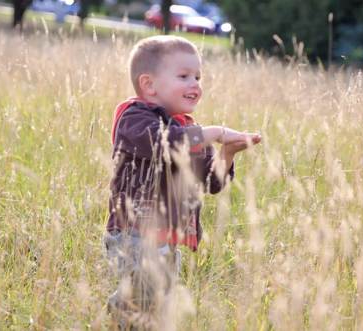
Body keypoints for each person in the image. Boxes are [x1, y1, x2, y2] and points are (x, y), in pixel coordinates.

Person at [103, 35, 261, 330]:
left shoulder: (192, 131)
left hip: (168, 237)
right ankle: (115, 318)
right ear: (149, 84)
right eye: (184, 76)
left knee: (157, 306)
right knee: (144, 291)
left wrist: (227, 152)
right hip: (134, 231)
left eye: (198, 76)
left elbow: (211, 183)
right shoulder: (134, 118)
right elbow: (165, 143)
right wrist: (212, 133)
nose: (196, 84)